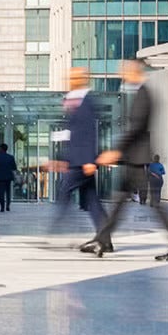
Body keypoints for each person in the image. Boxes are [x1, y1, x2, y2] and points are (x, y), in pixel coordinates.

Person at [88, 59, 168, 261]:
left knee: (153, 203)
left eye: (124, 70)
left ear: (134, 70)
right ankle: (102, 239)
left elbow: (136, 129)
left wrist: (116, 151)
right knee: (120, 202)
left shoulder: (144, 94)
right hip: (134, 157)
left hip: (137, 157)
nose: (121, 74)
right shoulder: (140, 93)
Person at [53, 66, 107, 246]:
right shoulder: (75, 101)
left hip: (82, 161)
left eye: (74, 77)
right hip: (77, 160)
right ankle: (105, 239)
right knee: (92, 200)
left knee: (64, 192)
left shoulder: (87, 101)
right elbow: (72, 132)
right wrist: (63, 158)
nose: (71, 79)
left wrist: (89, 160)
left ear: (82, 79)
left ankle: (57, 233)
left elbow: (89, 132)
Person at [0, 141, 17, 212]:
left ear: (1, 149)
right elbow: (14, 167)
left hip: (0, 177)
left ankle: (2, 207)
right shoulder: (11, 157)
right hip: (8, 177)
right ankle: (8, 205)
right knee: (8, 192)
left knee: (1, 193)